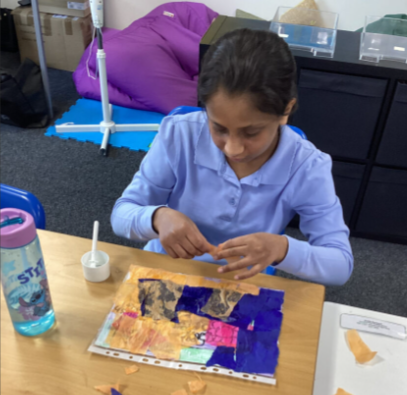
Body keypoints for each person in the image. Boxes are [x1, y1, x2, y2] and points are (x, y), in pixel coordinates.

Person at [111, 28, 353, 286]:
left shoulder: (307, 166)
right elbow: (121, 215)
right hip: (167, 267)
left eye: (251, 132)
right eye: (219, 128)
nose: (233, 148)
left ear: (286, 110)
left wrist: (281, 248)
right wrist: (157, 217)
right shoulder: (179, 135)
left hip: (240, 281)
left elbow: (340, 265)